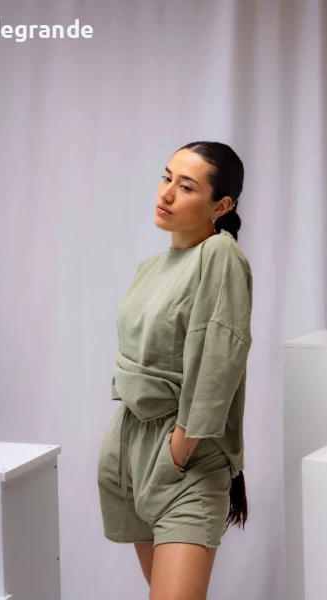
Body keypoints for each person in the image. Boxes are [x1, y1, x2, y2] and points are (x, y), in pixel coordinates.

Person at [97, 141, 253, 600]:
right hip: (127, 454)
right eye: (166, 178)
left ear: (221, 206)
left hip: (185, 457)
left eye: (186, 186)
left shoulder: (220, 254)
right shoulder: (150, 268)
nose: (166, 193)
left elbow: (221, 357)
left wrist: (181, 447)